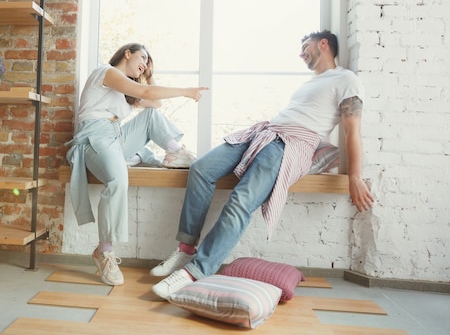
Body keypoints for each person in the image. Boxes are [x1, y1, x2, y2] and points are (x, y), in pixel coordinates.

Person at [150, 30, 375, 299]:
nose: (301, 53)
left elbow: (352, 130)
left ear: (323, 44)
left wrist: (355, 176)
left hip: (289, 144)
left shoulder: (347, 79)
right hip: (264, 133)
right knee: (201, 169)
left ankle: (195, 272)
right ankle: (186, 251)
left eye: (305, 46)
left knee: (241, 201)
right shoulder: (310, 83)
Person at [66, 43, 208, 286]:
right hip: (94, 137)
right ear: (127, 53)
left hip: (115, 137)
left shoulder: (124, 93)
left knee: (150, 117)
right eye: (142, 57)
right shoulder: (107, 72)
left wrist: (147, 75)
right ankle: (104, 251)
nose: (144, 63)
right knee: (118, 179)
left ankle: (176, 154)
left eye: (148, 62)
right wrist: (186, 91)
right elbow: (149, 95)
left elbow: (155, 106)